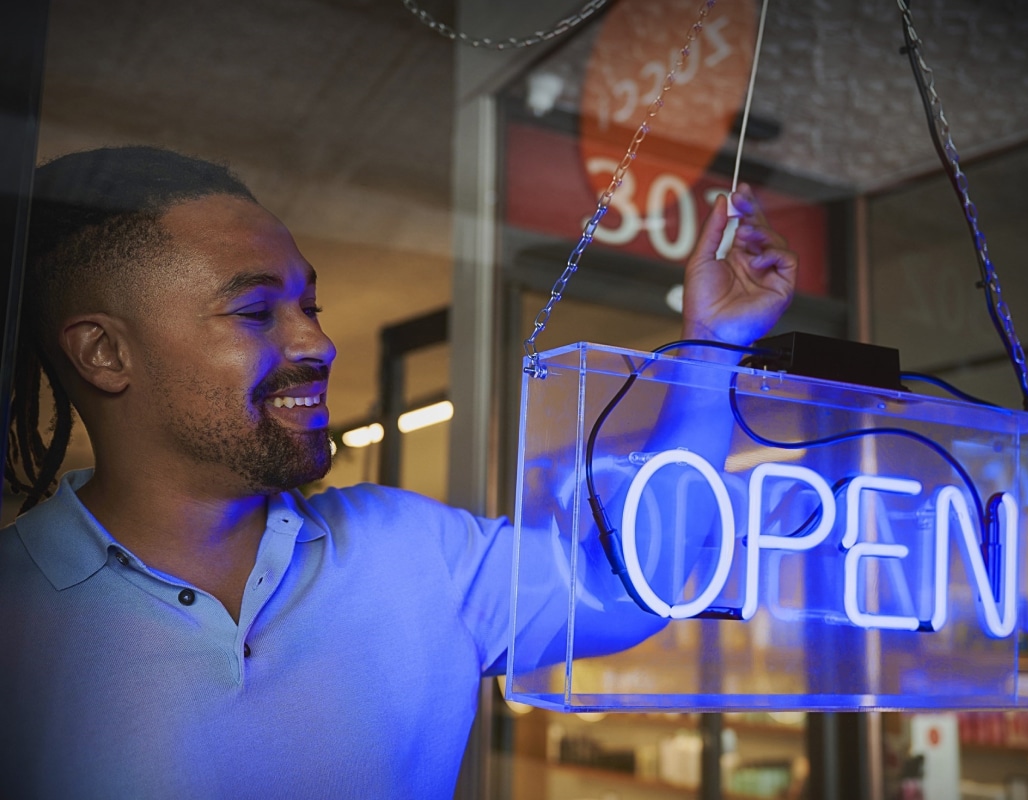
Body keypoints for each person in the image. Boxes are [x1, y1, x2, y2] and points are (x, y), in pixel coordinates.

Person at [0, 146, 797, 798]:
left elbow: (634, 590)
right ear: (104, 353)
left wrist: (713, 351)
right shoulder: (15, 611)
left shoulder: (415, 549)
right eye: (254, 312)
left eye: (309, 304)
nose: (317, 344)